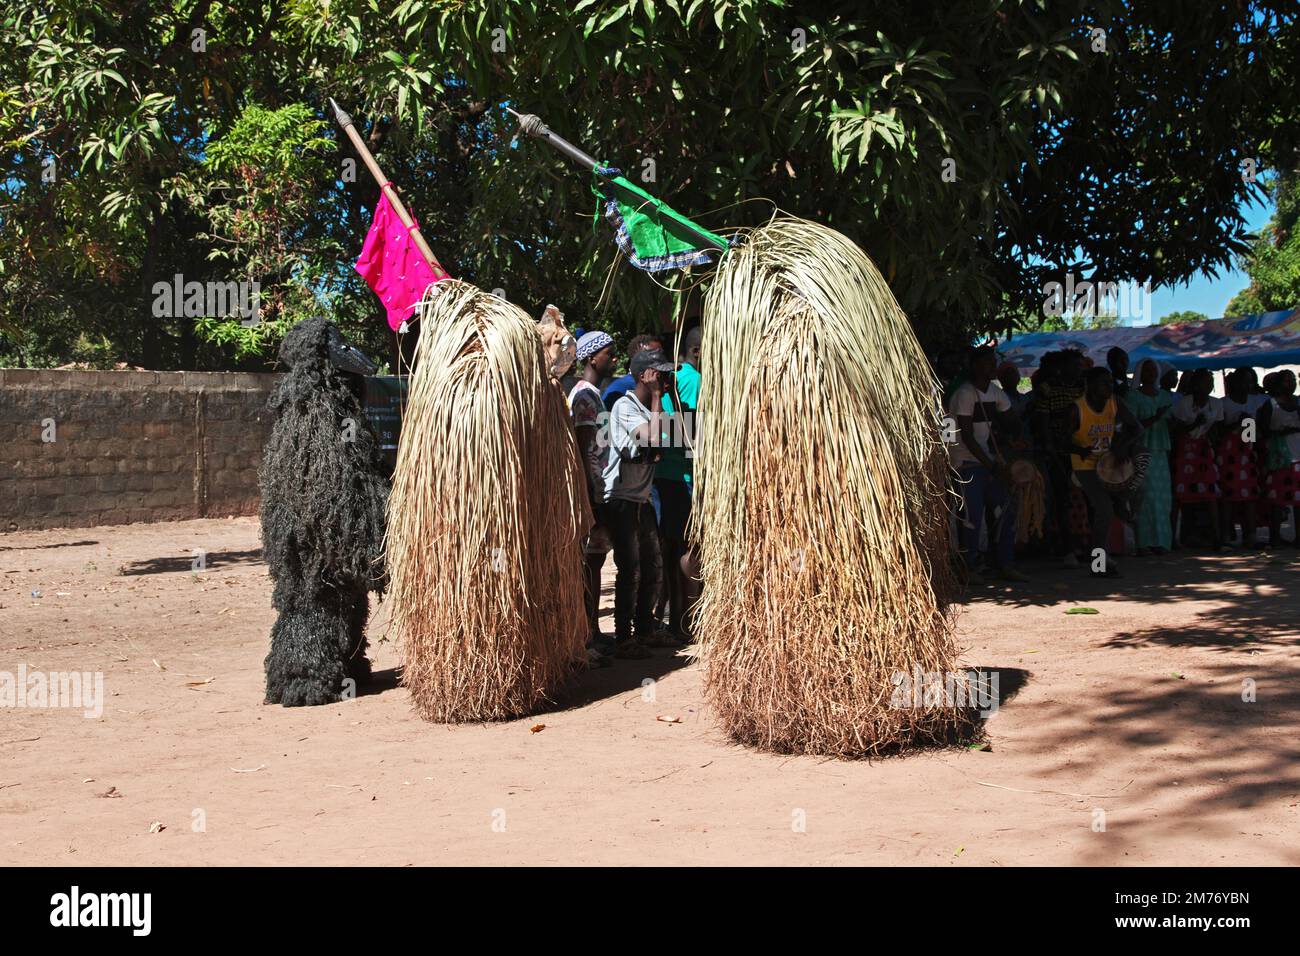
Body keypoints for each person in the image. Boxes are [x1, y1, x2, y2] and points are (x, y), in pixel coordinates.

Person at [602, 347, 678, 658]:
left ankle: (645, 629)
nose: (662, 379)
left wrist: (667, 397)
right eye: (658, 374)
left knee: (653, 565)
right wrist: (659, 398)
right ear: (643, 376)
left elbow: (675, 437)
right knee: (630, 568)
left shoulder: (654, 408)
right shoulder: (625, 406)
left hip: (641, 498)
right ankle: (624, 637)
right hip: (620, 498)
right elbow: (651, 438)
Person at [948, 347, 1028, 584]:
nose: (991, 366)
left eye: (993, 362)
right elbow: (967, 437)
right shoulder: (964, 394)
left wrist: (1015, 435)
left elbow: (1011, 420)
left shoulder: (996, 393)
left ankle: (1004, 563)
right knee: (971, 516)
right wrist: (994, 467)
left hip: (988, 462)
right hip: (966, 462)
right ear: (974, 366)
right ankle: (968, 568)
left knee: (1005, 509)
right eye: (986, 362)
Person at [569, 331, 618, 663]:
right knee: (588, 562)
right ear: (590, 358)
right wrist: (590, 495)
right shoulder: (584, 396)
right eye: (608, 353)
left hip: (599, 489)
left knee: (596, 561)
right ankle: (586, 632)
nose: (613, 359)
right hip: (594, 491)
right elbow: (584, 447)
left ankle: (594, 631)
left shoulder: (593, 395)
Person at [1067, 366, 1143, 577]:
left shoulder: (1114, 402)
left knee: (1131, 496)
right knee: (1104, 509)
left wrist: (1122, 446)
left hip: (1108, 463)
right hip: (1084, 466)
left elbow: (1137, 428)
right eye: (1104, 383)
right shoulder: (1076, 409)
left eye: (1110, 382)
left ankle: (1104, 553)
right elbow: (1060, 440)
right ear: (1090, 386)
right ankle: (1098, 562)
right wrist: (1079, 449)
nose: (1110, 387)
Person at [654, 325, 701, 643]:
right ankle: (686, 621)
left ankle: (669, 618)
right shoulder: (693, 379)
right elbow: (692, 434)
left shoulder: (675, 376)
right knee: (688, 548)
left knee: (670, 549)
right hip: (682, 477)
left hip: (663, 476)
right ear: (696, 351)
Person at [1033, 349, 1087, 565]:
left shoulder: (1083, 388)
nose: (1079, 370)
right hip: (1059, 451)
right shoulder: (1047, 389)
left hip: (1083, 450)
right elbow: (1043, 422)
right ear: (1063, 367)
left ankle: (1087, 545)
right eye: (1075, 366)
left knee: (1084, 499)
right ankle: (1065, 548)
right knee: (1062, 498)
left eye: (1080, 366)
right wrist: (1050, 448)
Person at [1123, 359, 1174, 554]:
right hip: (1141, 450)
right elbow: (1130, 425)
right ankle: (1144, 542)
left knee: (1162, 498)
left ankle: (1162, 542)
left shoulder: (1165, 396)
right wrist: (1155, 417)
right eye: (1147, 370)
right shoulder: (1132, 396)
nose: (1152, 373)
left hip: (1160, 451)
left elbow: (1171, 423)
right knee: (1144, 495)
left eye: (1154, 370)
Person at [1169, 368, 1223, 549]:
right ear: (1195, 384)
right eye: (1203, 381)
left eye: (1210, 382)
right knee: (1179, 494)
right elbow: (1175, 430)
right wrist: (1194, 424)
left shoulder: (1216, 404)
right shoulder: (1183, 404)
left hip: (1204, 449)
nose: (1207, 385)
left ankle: (1217, 536)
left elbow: (1216, 429)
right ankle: (1171, 538)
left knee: (1210, 492)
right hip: (1184, 450)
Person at [1216, 368, 1261, 548]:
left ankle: (1250, 535)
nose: (1246, 385)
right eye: (1243, 381)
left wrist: (1247, 426)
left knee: (1249, 496)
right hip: (1227, 456)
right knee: (1228, 497)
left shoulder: (1253, 403)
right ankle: (1226, 534)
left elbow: (1250, 435)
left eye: (1249, 381)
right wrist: (1237, 423)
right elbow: (1218, 433)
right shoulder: (1223, 403)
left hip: (1246, 454)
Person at [1257, 370, 1300, 548]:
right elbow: (1256, 432)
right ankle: (1275, 536)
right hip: (1278, 457)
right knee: (1277, 499)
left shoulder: (1298, 402)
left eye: (1293, 380)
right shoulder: (1269, 405)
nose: (1290, 383)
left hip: (1298, 454)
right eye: (1286, 380)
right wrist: (1278, 433)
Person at [602, 334, 664, 409]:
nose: (662, 358)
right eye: (654, 355)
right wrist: (656, 394)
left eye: (662, 354)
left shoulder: (654, 386)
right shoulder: (621, 389)